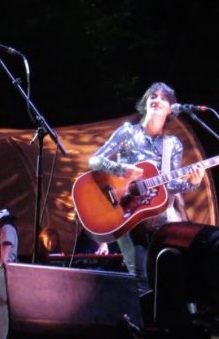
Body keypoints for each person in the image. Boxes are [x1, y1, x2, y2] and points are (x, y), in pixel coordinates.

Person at [88, 82, 205, 293]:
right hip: (126, 213)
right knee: (140, 279)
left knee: (168, 279)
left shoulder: (173, 144)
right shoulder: (127, 133)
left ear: (171, 108)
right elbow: (95, 161)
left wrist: (193, 183)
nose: (156, 99)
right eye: (153, 95)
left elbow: (170, 184)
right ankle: (138, 325)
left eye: (163, 97)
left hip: (157, 218)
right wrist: (120, 169)